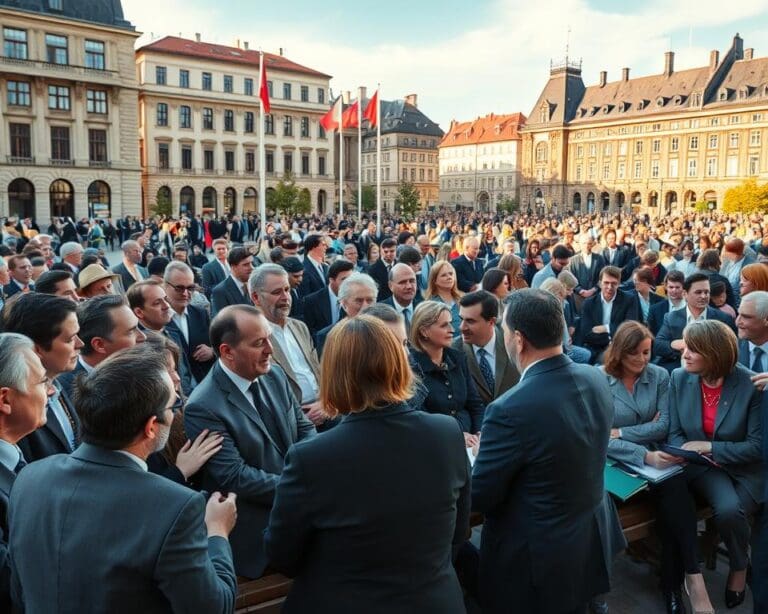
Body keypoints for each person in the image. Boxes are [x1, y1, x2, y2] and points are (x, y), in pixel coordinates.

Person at [8, 346, 239, 613]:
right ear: (151, 426)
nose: (177, 410)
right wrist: (218, 533)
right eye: (174, 404)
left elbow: (20, 590)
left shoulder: (29, 478)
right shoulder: (176, 507)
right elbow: (214, 608)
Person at [264, 315, 470, 613]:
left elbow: (284, 557)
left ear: (334, 373)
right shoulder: (446, 432)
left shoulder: (311, 458)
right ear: (400, 363)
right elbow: (458, 531)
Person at [472, 289, 612, 614]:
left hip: (535, 562)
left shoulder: (508, 409)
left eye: (505, 332)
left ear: (518, 340)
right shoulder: (595, 377)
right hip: (587, 539)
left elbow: (481, 496)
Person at [184, 305, 316, 579]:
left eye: (269, 338)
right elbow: (234, 476)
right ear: (227, 352)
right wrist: (298, 487)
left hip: (302, 507)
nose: (270, 348)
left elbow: (304, 429)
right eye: (259, 343)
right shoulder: (203, 405)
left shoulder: (275, 375)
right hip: (259, 530)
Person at [656, 320, 762, 613]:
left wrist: (710, 448)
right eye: (685, 346)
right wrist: (693, 455)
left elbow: (755, 447)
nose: (684, 353)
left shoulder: (749, 384)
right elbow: (675, 433)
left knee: (729, 511)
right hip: (695, 466)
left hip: (739, 465)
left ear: (714, 354)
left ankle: (739, 567)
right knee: (714, 508)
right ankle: (692, 579)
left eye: (694, 349)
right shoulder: (678, 377)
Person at [0, 333, 51, 611]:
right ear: (5, 400)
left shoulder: (17, 458)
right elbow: (12, 584)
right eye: (43, 382)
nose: (51, 391)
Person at [3, 293, 83, 461]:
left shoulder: (60, 384)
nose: (80, 344)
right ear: (35, 348)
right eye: (69, 339)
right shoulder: (17, 410)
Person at [250, 264, 327, 429]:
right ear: (256, 298)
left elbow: (317, 372)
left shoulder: (300, 327)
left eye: (287, 290)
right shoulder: (251, 337)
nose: (286, 297)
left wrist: (324, 404)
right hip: (290, 423)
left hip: (324, 410)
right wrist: (300, 418)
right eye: (277, 292)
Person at [409, 301, 485, 448]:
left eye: (450, 323)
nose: (452, 330)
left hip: (472, 444)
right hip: (435, 446)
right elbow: (418, 418)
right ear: (424, 331)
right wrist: (456, 437)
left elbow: (475, 404)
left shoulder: (458, 358)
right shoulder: (411, 368)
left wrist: (480, 433)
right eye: (444, 325)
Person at [601, 321, 673, 469]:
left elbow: (663, 426)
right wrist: (645, 455)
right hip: (613, 460)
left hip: (657, 458)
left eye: (646, 352)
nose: (641, 359)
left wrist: (620, 432)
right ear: (619, 351)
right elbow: (597, 436)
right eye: (634, 353)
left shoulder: (660, 375)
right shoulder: (599, 378)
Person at [57, 295, 146, 399]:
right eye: (131, 331)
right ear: (99, 345)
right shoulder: (67, 393)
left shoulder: (141, 368)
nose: (143, 337)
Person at [654, 273, 737, 372]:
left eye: (706, 292)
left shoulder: (723, 319)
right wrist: (677, 345)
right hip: (678, 369)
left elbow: (730, 350)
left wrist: (692, 346)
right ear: (685, 294)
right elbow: (658, 345)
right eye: (698, 292)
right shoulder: (672, 317)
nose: (703, 296)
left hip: (712, 370)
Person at [127, 280, 195, 396]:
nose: (166, 306)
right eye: (157, 303)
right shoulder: (137, 346)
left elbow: (185, 374)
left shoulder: (174, 333)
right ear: (139, 312)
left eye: (165, 299)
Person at [454, 290, 520, 404]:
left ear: (492, 321)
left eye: (470, 321)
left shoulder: (514, 343)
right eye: (461, 319)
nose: (462, 327)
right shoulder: (453, 351)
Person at [575, 265, 641, 363]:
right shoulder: (589, 303)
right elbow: (586, 333)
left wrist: (607, 328)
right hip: (595, 349)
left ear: (619, 283)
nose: (610, 287)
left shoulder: (629, 300)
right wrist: (611, 338)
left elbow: (630, 328)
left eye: (614, 283)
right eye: (606, 283)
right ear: (600, 283)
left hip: (622, 348)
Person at [164, 261, 215, 382]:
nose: (185, 293)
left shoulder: (201, 313)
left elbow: (218, 344)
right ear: (165, 286)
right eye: (179, 288)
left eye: (190, 288)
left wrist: (212, 352)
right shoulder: (157, 318)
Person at [315, 272, 378, 355]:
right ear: (344, 304)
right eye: (359, 301)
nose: (365, 307)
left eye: (370, 300)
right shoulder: (328, 336)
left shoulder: (385, 331)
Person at [301, 259, 354, 335]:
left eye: (351, 279)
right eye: (344, 279)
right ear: (331, 280)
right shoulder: (312, 301)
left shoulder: (355, 299)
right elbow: (309, 333)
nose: (349, 283)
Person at [210, 246, 254, 317]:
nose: (252, 267)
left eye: (251, 263)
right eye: (246, 265)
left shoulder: (255, 285)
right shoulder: (220, 291)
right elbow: (221, 322)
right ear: (233, 267)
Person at [425, 260, 462, 338]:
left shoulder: (462, 299)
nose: (449, 277)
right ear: (434, 280)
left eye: (451, 274)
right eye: (444, 275)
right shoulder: (430, 305)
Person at [380, 263, 423, 331]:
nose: (409, 286)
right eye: (402, 282)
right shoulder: (380, 312)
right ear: (390, 286)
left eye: (412, 281)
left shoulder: (424, 308)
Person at [647, 271, 686, 336]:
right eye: (671, 287)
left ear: (683, 287)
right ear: (665, 287)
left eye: (677, 287)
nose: (674, 290)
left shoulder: (691, 306)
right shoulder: (655, 309)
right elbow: (651, 335)